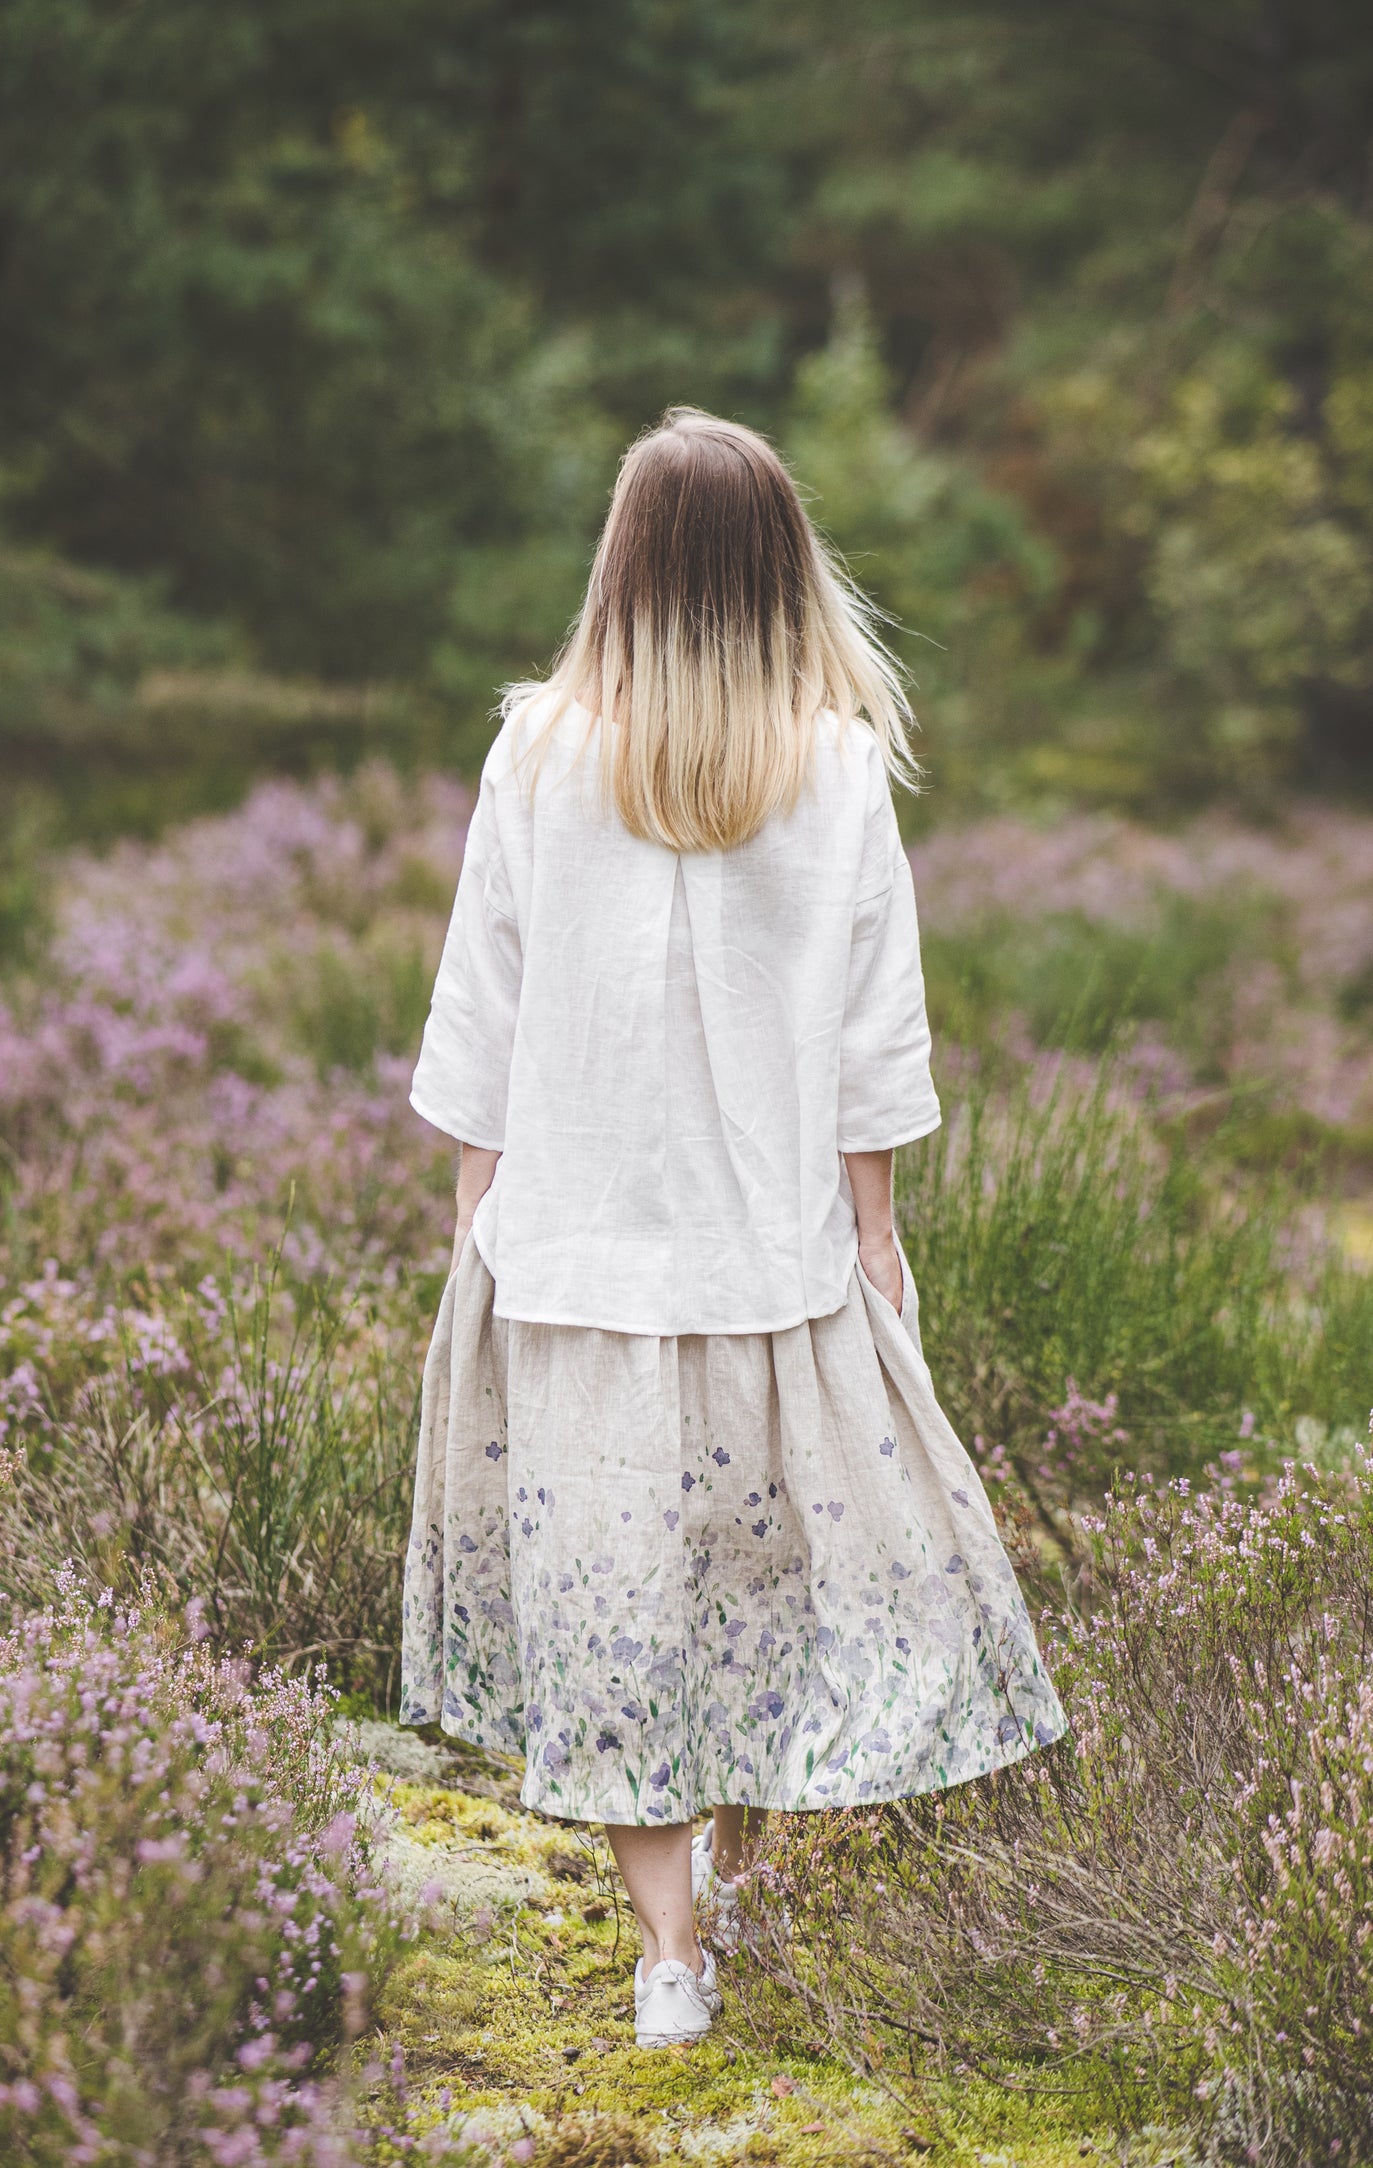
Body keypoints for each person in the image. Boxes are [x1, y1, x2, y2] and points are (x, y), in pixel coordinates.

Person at [400, 408, 1066, 2049]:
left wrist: (475, 1220)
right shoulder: (831, 764)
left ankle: (668, 1955)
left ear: (620, 564)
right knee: (774, 1575)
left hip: (577, 1254)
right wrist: (876, 1236)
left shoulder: (537, 751)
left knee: (616, 1601)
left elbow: (478, 1010)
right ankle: (718, 1893)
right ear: (782, 566)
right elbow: (873, 1034)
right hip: (773, 1253)